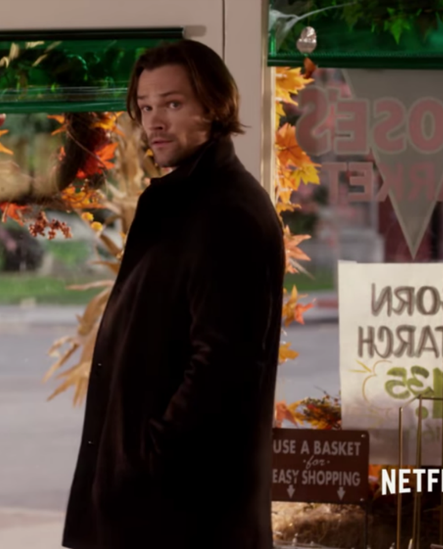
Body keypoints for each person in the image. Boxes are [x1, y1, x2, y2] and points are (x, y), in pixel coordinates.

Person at [61, 40, 285, 549]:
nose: (154, 122)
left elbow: (224, 365)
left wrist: (146, 460)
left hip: (179, 512)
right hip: (154, 505)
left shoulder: (227, 210)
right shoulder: (181, 199)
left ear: (214, 107)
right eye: (145, 107)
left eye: (172, 104)